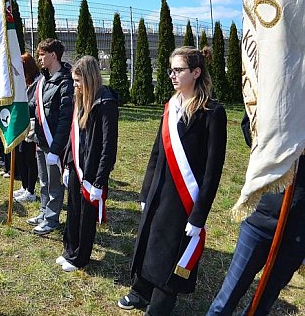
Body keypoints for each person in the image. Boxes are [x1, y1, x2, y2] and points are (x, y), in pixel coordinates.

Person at [119, 46, 227, 314]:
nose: (172, 75)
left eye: (178, 70)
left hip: (184, 198)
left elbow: (213, 171)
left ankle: (159, 305)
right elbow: (157, 152)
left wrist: (198, 215)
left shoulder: (212, 113)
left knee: (171, 250)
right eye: (171, 70)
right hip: (159, 191)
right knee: (149, 241)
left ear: (196, 72)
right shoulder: (171, 106)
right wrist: (145, 192)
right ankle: (140, 290)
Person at [206, 117, 305, 316]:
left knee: (262, 305)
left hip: (298, 231)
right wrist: (284, 138)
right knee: (226, 299)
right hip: (261, 217)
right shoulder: (283, 88)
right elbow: (249, 124)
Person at [58, 56, 119, 273]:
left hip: (92, 170)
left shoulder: (106, 103)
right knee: (73, 209)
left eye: (77, 81)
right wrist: (67, 164)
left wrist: (100, 180)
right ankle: (69, 250)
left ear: (89, 79)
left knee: (86, 215)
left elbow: (108, 146)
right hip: (76, 164)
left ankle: (80, 257)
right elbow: (72, 136)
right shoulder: (80, 99)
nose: (74, 85)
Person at [30, 38, 74, 235]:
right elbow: (34, 106)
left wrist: (56, 149)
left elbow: (65, 119)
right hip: (41, 140)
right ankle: (43, 212)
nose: (39, 58)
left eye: (42, 54)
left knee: (55, 184)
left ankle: (51, 219)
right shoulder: (43, 80)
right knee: (44, 181)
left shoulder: (65, 82)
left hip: (54, 143)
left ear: (53, 55)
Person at [13, 52, 42, 203]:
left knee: (30, 159)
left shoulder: (39, 82)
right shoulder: (23, 82)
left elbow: (35, 104)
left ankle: (31, 191)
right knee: (20, 156)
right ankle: (24, 187)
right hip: (21, 125)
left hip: (32, 126)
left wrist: (22, 108)